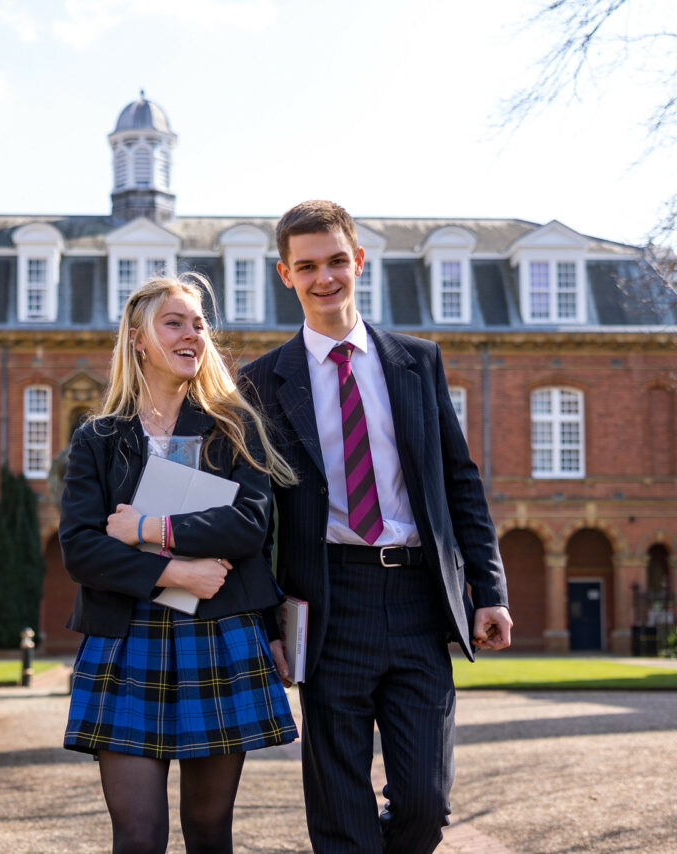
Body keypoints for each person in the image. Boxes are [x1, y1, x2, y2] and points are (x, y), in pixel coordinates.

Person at [239, 200, 513, 854]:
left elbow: (459, 482)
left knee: (425, 803)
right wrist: (263, 625)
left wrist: (491, 589)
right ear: (286, 274)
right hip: (329, 602)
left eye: (336, 260)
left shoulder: (417, 362)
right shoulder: (261, 383)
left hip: (420, 598)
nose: (324, 277)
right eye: (307, 266)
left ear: (359, 260)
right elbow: (248, 523)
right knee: (339, 810)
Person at [59, 272, 299, 854]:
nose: (192, 333)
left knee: (210, 832)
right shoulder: (98, 437)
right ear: (138, 339)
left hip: (218, 636)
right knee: (138, 836)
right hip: (126, 639)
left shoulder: (234, 428)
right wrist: (175, 571)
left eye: (198, 324)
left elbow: (248, 525)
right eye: (174, 323)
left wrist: (147, 530)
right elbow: (81, 548)